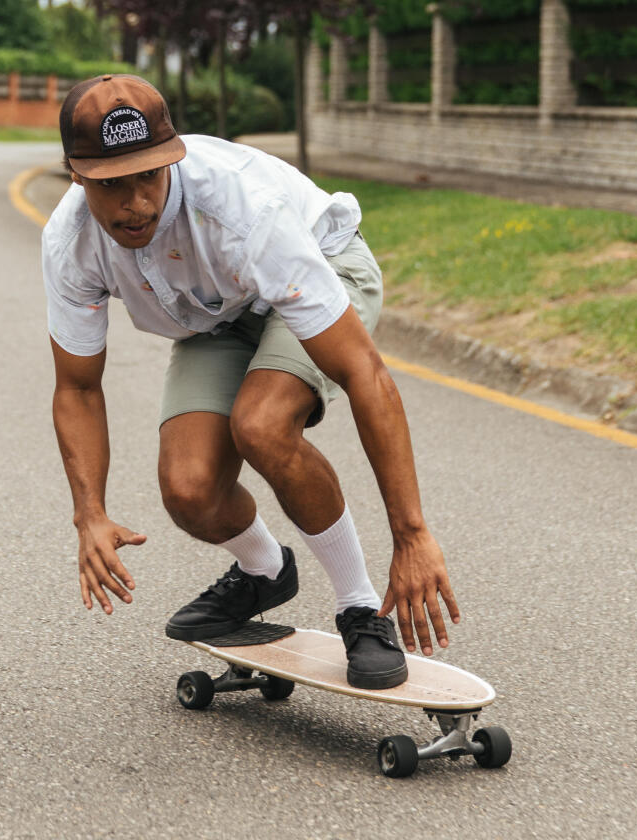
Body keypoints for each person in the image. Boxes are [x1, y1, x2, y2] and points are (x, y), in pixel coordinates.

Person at [43, 75, 459, 689]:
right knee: (189, 491)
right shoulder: (72, 244)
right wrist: (90, 513)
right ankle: (266, 572)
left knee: (261, 425)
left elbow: (363, 371)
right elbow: (77, 387)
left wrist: (413, 534)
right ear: (77, 176)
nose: (137, 203)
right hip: (221, 312)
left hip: (323, 267)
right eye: (112, 184)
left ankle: (360, 607)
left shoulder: (241, 209)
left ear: (172, 158)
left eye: (148, 177)